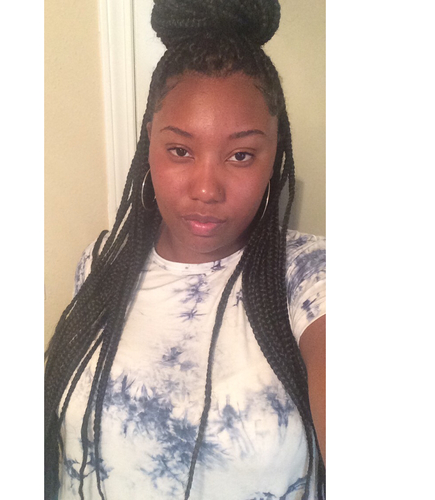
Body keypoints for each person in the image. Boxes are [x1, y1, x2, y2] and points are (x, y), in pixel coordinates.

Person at [45, 1, 326, 499]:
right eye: (180, 150)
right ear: (148, 144)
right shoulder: (102, 261)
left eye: (241, 155)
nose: (206, 189)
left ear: (274, 156)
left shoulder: (309, 276)